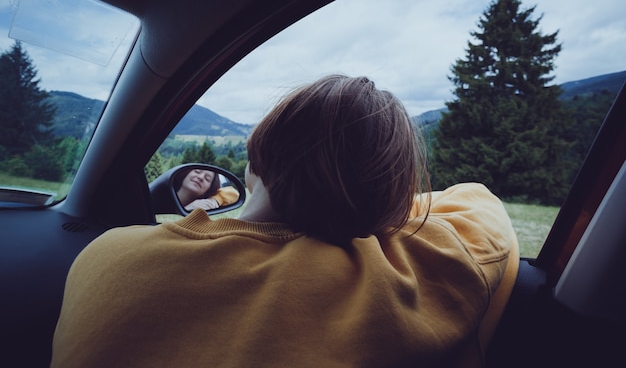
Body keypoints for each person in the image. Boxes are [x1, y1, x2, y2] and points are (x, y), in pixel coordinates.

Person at [51, 74, 518, 368]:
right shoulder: (400, 282)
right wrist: (383, 208)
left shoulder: (110, 253)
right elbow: (477, 200)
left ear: (257, 155)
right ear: (388, 206)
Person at [174, 168, 240, 211]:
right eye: (197, 172)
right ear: (186, 173)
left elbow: (234, 193)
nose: (201, 177)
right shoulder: (166, 191)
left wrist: (214, 200)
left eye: (207, 179)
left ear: (209, 189)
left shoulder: (203, 204)